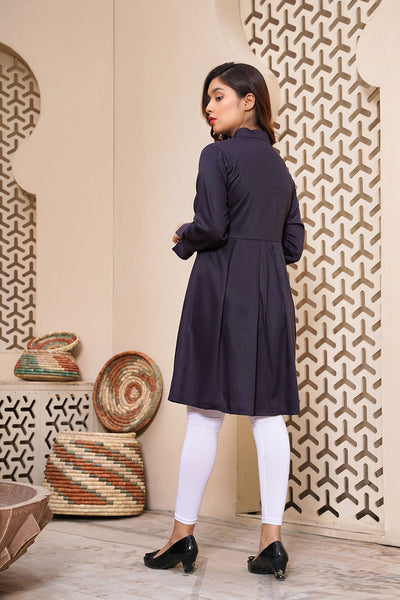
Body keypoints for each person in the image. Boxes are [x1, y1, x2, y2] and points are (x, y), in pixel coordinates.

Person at [144, 62, 305, 581]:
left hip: (219, 290)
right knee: (268, 416)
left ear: (248, 100)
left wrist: (185, 234)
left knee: (204, 414)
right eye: (207, 99)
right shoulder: (280, 168)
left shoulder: (216, 155)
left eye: (217, 96)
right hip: (270, 294)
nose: (208, 108)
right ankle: (271, 543)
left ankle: (181, 536)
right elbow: (292, 246)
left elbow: (212, 225)